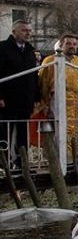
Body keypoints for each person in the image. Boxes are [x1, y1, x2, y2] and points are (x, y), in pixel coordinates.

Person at [31, 34, 78, 157]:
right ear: (61, 45)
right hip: (59, 100)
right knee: (61, 130)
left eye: (74, 44)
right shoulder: (50, 60)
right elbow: (44, 83)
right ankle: (61, 159)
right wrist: (46, 100)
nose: (72, 46)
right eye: (68, 44)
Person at [0, 19, 39, 158]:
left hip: (25, 99)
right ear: (14, 31)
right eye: (24, 30)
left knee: (23, 133)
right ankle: (4, 163)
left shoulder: (30, 50)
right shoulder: (3, 48)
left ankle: (21, 161)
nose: (28, 33)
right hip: (7, 98)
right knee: (5, 132)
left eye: (29, 30)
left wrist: (36, 97)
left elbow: (34, 75)